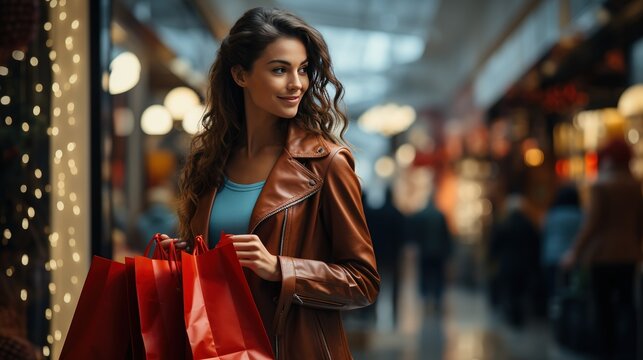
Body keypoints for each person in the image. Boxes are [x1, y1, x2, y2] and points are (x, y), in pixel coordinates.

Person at [159, 7, 380, 359]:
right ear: (240, 75)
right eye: (280, 70)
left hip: (288, 349)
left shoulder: (326, 163)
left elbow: (363, 282)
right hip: (213, 347)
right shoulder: (210, 160)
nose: (297, 84)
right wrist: (186, 254)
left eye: (303, 69)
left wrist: (280, 268)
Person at [562, 138, 643, 360]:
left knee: (603, 308)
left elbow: (592, 225)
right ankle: (628, 350)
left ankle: (606, 352)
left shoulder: (601, 185)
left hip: (602, 256)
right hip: (629, 255)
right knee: (628, 305)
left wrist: (574, 253)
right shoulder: (635, 185)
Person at [541, 183, 583, 303]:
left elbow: (544, 235)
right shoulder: (580, 215)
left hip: (552, 257)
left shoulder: (551, 216)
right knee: (573, 289)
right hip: (574, 256)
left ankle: (556, 309)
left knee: (554, 289)